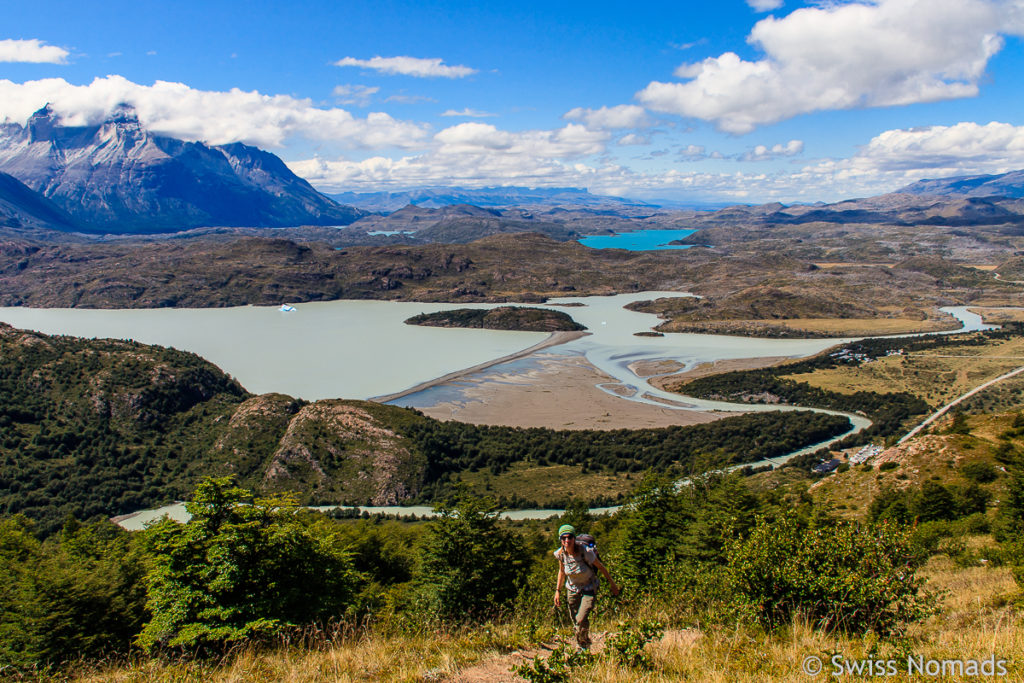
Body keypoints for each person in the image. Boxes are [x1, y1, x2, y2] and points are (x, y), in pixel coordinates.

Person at [553, 524, 619, 650]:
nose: (567, 540)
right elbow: (561, 572)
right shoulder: (561, 554)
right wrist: (558, 591)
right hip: (572, 589)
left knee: (580, 618)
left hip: (589, 587)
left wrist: (612, 584)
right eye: (563, 538)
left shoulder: (585, 552)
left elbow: (601, 567)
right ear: (560, 539)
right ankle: (583, 645)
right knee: (576, 620)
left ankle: (583, 645)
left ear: (574, 538)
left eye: (569, 537)